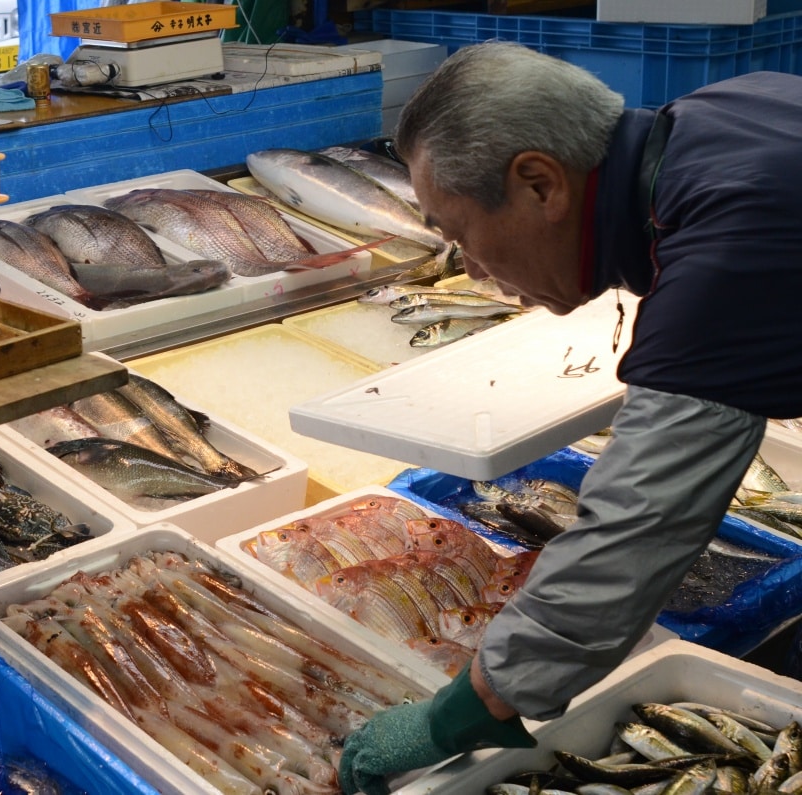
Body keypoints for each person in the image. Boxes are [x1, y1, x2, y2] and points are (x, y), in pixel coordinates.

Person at [338, 41, 802, 795]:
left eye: (460, 236)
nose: (471, 270)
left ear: (538, 182)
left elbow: (637, 527)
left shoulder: (727, 243)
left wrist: (469, 706)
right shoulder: (725, 115)